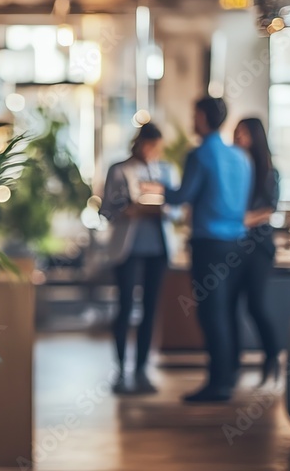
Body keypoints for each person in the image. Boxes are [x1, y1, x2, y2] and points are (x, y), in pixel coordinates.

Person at [164, 97, 252, 403]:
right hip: (239, 244)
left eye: (194, 114)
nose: (191, 120)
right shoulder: (241, 158)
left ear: (202, 116)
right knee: (228, 311)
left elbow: (181, 196)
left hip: (209, 244)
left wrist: (158, 189)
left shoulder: (200, 155)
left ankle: (218, 384)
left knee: (211, 314)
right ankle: (229, 375)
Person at [100, 122, 181, 395]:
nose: (152, 151)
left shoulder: (167, 171)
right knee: (124, 306)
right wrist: (128, 211)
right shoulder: (119, 169)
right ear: (138, 143)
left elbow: (178, 210)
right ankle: (121, 368)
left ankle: (142, 369)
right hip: (128, 248)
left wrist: (165, 210)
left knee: (150, 308)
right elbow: (106, 210)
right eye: (148, 145)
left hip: (157, 249)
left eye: (156, 147)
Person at [231, 118, 281, 386]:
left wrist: (240, 221)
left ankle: (272, 357)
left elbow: (269, 208)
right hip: (233, 246)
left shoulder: (269, 171)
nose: (238, 137)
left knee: (255, 305)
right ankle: (233, 362)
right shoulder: (233, 166)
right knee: (230, 306)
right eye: (236, 133)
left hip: (258, 246)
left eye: (243, 133)